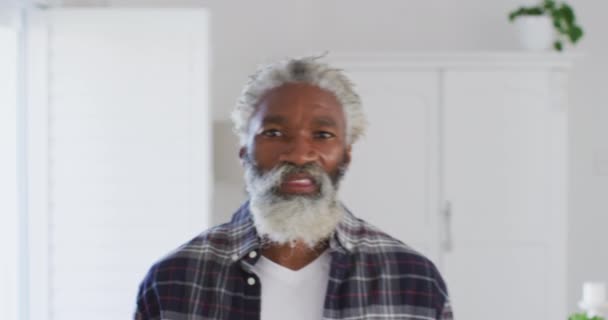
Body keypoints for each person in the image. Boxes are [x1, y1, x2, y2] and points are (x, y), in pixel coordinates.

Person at [134, 56, 453, 320]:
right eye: (273, 133)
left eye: (323, 135)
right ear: (244, 150)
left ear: (346, 153)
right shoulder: (174, 278)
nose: (300, 154)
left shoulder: (413, 280)